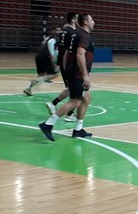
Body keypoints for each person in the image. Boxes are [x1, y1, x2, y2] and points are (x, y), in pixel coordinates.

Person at [39, 13, 96, 141]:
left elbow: (66, 53)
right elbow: (80, 54)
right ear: (85, 22)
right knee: (76, 101)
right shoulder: (84, 36)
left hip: (71, 71)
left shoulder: (75, 34)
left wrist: (66, 70)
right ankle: (47, 124)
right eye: (92, 20)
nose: (94, 22)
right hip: (78, 73)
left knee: (86, 98)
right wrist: (85, 75)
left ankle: (78, 129)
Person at [45, 12, 78, 121]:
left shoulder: (63, 31)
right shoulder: (72, 33)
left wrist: (59, 63)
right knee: (78, 89)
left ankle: (55, 104)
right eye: (77, 18)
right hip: (69, 64)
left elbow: (61, 48)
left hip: (63, 63)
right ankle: (68, 113)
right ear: (73, 20)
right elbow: (70, 50)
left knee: (71, 88)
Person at [23, 26, 61, 96]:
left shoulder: (47, 38)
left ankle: (28, 88)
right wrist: (54, 63)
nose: (59, 32)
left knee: (41, 75)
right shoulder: (54, 38)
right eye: (57, 30)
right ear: (52, 31)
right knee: (55, 74)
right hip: (45, 57)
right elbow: (51, 46)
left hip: (39, 55)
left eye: (59, 30)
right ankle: (37, 80)